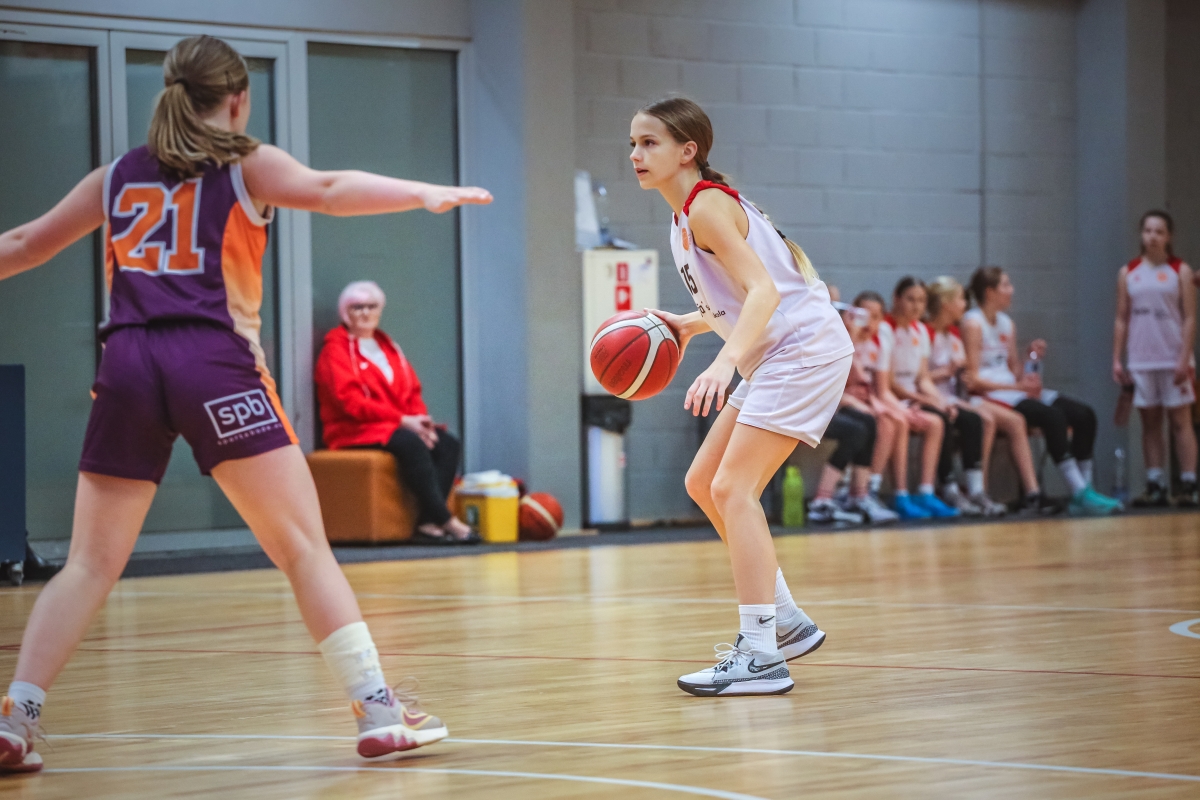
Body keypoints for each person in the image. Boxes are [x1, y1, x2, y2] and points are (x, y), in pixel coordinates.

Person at [0, 36, 492, 774]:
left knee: (89, 563)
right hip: (212, 361)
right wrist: (421, 193)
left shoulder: (115, 177)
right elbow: (327, 191)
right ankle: (380, 712)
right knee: (300, 545)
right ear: (238, 99)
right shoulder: (242, 165)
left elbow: (26, 242)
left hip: (128, 361)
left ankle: (17, 719)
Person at [633, 97, 853, 696]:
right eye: (632, 144)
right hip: (779, 352)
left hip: (800, 351)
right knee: (704, 483)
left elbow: (765, 294)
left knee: (733, 488)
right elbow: (739, 297)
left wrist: (724, 362)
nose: (635, 155)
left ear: (688, 150)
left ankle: (759, 655)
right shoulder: (686, 213)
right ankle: (782, 621)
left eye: (649, 143)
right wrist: (687, 324)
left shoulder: (705, 207)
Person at [316, 281, 478, 544]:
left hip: (395, 425)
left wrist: (422, 423)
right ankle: (446, 519)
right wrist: (404, 421)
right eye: (358, 308)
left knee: (446, 443)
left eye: (372, 307)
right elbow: (350, 402)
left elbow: (412, 391)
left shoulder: (389, 348)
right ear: (346, 313)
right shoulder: (335, 350)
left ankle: (427, 522)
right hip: (353, 429)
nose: (366, 313)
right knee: (411, 444)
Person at [963, 267, 1121, 516]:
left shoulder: (1006, 323)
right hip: (989, 395)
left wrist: (1030, 359)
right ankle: (1078, 491)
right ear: (989, 292)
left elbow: (1013, 371)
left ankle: (1085, 487)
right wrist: (1016, 387)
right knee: (1052, 416)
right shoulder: (973, 323)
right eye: (1006, 285)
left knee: (1084, 414)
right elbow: (973, 380)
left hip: (1011, 389)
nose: (1011, 289)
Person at [926, 276, 1040, 509]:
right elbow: (911, 378)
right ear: (946, 303)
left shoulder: (955, 336)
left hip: (952, 396)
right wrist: (946, 373)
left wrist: (961, 374)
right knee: (959, 419)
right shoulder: (925, 334)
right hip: (927, 397)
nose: (964, 305)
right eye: (959, 299)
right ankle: (949, 486)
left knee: (984, 420)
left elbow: (966, 373)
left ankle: (976, 489)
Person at [1112, 210, 1198, 507]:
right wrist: (1117, 359)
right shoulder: (1128, 272)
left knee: (1180, 421)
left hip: (1173, 356)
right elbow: (1121, 318)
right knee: (1150, 422)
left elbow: (1189, 318)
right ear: (1141, 234)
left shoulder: (1180, 270)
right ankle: (1155, 482)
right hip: (1141, 358)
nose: (1152, 236)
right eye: (1148, 230)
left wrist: (1184, 359)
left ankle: (1188, 483)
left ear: (1168, 237)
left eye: (1159, 231)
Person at [807, 296, 901, 525]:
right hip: (807, 409)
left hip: (825, 406)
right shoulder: (817, 335)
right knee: (856, 430)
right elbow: (849, 376)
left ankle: (859, 496)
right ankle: (822, 500)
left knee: (867, 423)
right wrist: (852, 336)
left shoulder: (841, 336)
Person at [852, 291, 928, 519]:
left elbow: (881, 389)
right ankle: (860, 492)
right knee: (885, 423)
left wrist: (901, 410)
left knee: (898, 421)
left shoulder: (879, 343)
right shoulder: (845, 339)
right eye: (863, 316)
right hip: (841, 400)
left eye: (875, 317)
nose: (869, 322)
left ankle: (884, 491)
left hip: (865, 399)